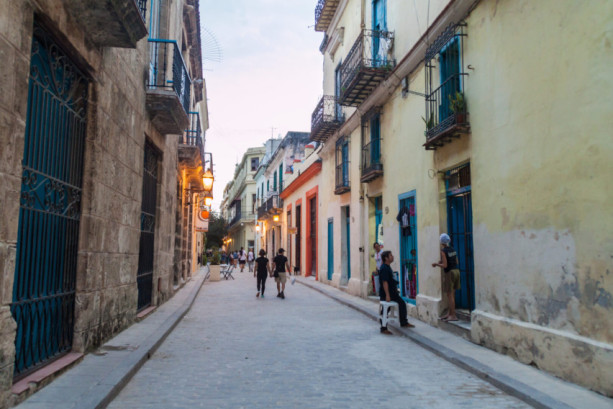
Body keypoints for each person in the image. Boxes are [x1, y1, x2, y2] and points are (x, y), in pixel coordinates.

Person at [378, 250, 414, 334]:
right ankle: (384, 328)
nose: (392, 256)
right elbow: (385, 282)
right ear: (386, 258)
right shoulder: (384, 268)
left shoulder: (387, 267)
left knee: (401, 304)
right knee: (387, 309)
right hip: (388, 293)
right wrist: (387, 295)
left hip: (392, 293)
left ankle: (403, 322)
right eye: (390, 255)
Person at [432, 233, 460, 322]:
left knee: (449, 295)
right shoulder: (453, 249)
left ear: (441, 242)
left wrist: (436, 264)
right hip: (456, 271)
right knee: (452, 294)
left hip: (449, 273)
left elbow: (445, 265)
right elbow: (456, 261)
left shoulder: (443, 251)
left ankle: (453, 315)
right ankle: (450, 313)